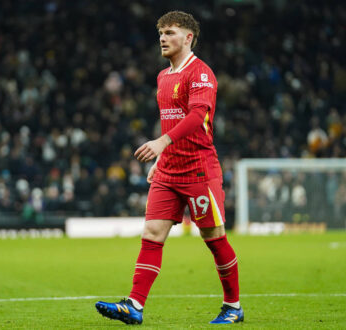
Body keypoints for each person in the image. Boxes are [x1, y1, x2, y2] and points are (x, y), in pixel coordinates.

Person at [95, 11, 244, 325]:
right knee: (151, 234)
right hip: (168, 171)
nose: (163, 38)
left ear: (188, 37)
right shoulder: (163, 76)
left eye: (171, 32)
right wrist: (162, 158)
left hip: (199, 170)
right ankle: (134, 305)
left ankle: (233, 306)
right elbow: (171, 120)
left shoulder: (201, 73)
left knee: (214, 238)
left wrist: (161, 143)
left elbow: (196, 116)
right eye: (161, 32)